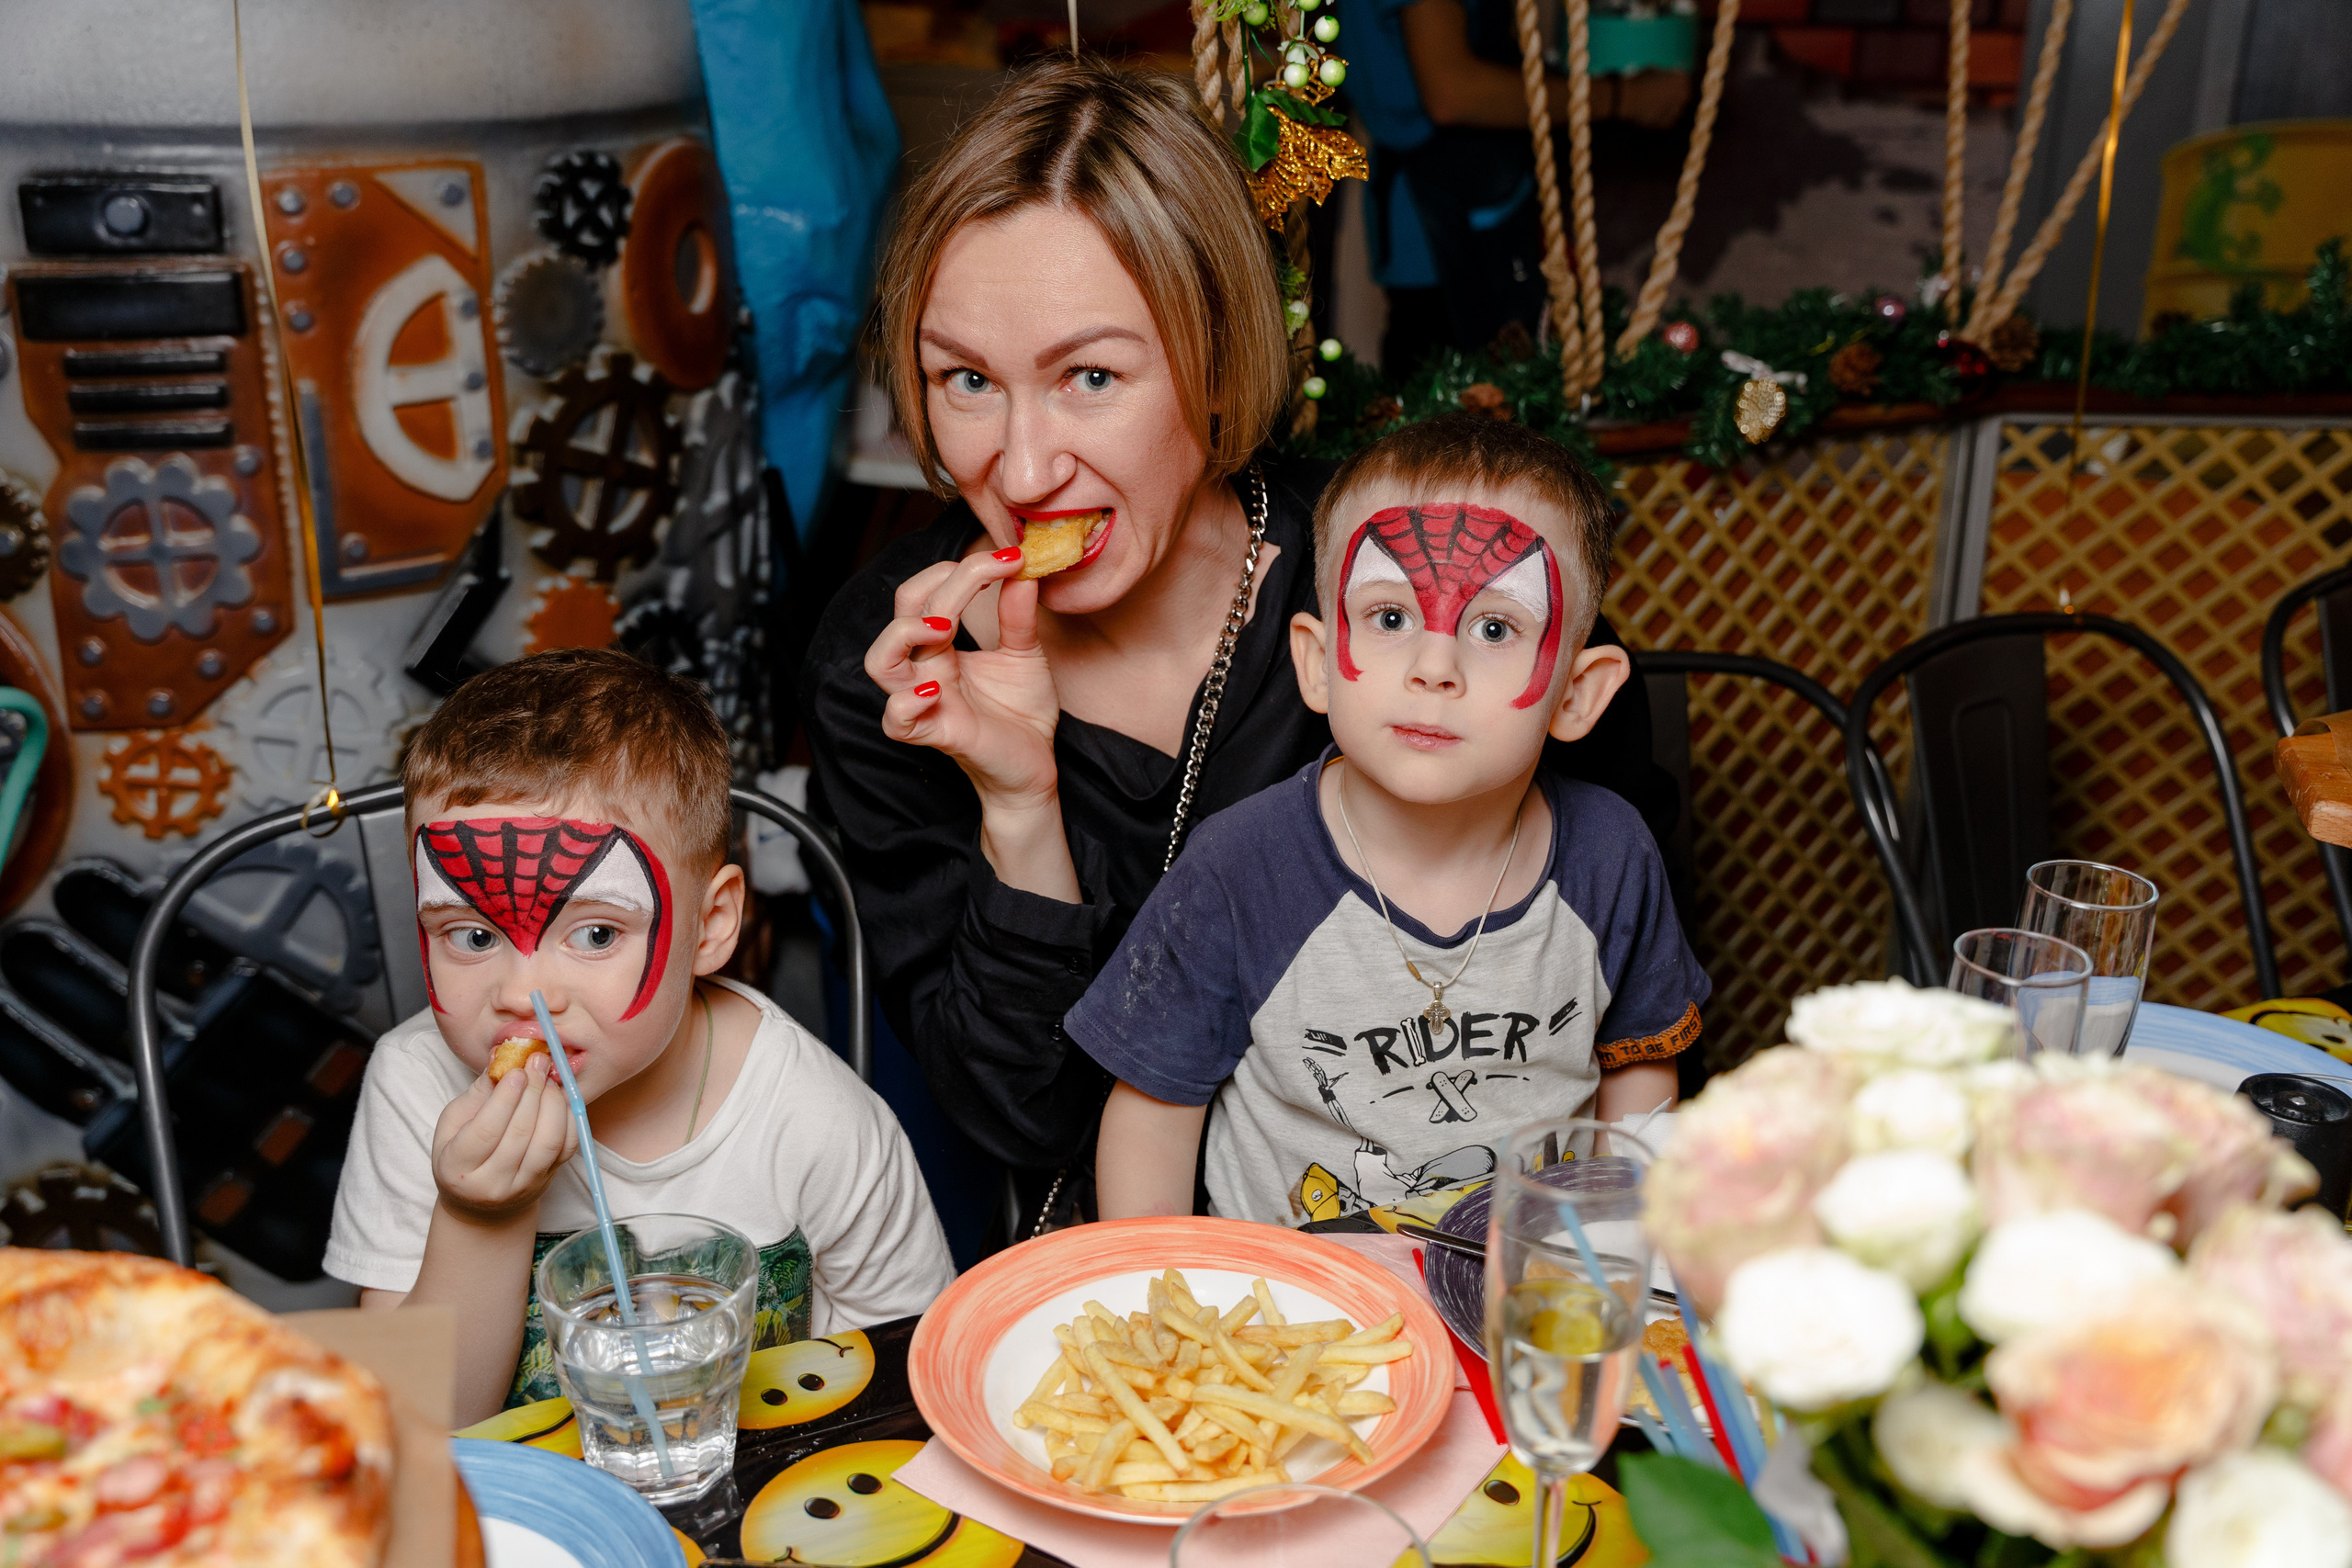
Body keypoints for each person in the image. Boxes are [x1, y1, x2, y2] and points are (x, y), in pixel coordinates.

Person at [798, 55, 1674, 1211]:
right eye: (965, 379)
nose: (1017, 469)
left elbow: (1627, 1023)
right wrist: (1020, 809)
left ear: (1214, 358)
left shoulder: (1430, 599)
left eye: (1091, 377)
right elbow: (1025, 1125)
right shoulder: (896, 662)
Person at [1071, 414, 1707, 1224]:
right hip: (1297, 1324)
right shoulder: (1240, 867)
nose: (1434, 667)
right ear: (1318, 662)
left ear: (1577, 694)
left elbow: (1638, 1076)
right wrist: (1153, 1288)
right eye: (1391, 617)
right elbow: (1153, 1113)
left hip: (1526, 1302)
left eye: (1494, 627)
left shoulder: (1611, 857)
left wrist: (1622, 1250)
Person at [326, 650, 954, 1424]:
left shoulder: (813, 1117)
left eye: (595, 932)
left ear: (711, 925)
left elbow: (916, 1385)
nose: (523, 994)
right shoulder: (414, 1084)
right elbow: (421, 1433)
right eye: (472, 935)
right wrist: (478, 1217)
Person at [1336, 0, 1693, 369]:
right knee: (1465, 398)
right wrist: (1623, 97)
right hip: (1446, 232)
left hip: (1461, 217)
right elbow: (1452, 92)